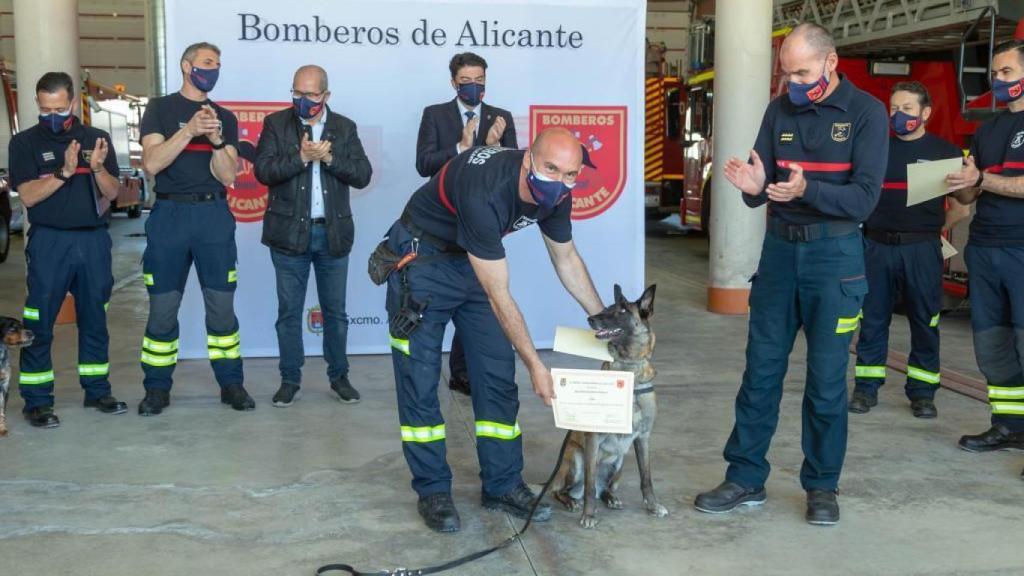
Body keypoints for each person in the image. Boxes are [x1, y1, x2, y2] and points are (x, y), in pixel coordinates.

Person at [693, 23, 888, 526]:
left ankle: (822, 486)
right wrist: (754, 187)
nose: (792, 83)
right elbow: (762, 182)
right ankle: (744, 477)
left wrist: (807, 192)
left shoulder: (865, 113)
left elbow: (865, 197)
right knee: (759, 374)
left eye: (801, 72)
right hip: (779, 257)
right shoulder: (778, 109)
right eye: (786, 73)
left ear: (831, 61)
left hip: (835, 261)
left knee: (825, 383)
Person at [382, 128, 601, 533]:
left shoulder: (557, 194)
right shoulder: (485, 189)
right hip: (423, 258)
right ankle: (433, 490)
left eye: (571, 174)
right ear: (528, 160)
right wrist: (536, 363)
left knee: (497, 374)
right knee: (421, 381)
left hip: (470, 258)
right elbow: (499, 295)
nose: (560, 182)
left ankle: (502, 484)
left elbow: (566, 258)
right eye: (552, 169)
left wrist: (601, 319)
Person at [137, 41, 250, 415]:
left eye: (217, 64)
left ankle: (231, 384)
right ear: (187, 66)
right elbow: (152, 164)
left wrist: (216, 139)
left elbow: (229, 174)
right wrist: (189, 131)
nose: (213, 69)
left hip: (212, 217)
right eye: (206, 62)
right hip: (169, 217)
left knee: (221, 308)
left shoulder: (225, 118)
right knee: (163, 309)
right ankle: (156, 389)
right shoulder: (160, 109)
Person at [9, 71, 127, 428]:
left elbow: (112, 192)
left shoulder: (97, 138)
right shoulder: (25, 143)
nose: (53, 116)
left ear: (73, 103)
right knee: (38, 323)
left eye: (59, 108)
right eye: (46, 109)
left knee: (94, 319)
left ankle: (97, 390)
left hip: (93, 240)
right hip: (49, 241)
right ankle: (37, 401)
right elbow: (27, 195)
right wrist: (62, 172)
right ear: (37, 104)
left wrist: (95, 169)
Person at [254, 64, 372, 407]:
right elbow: (264, 171)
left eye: (311, 94)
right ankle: (290, 379)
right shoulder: (276, 124)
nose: (304, 100)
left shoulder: (344, 128)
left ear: (326, 95)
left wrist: (332, 158)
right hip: (288, 236)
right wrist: (300, 157)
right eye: (297, 93)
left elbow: (363, 174)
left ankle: (339, 377)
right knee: (289, 312)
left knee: (335, 313)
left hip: (332, 235)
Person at [850, 81, 969, 418]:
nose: (898, 115)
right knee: (872, 319)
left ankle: (922, 394)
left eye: (906, 109)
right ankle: (865, 389)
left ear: (925, 113)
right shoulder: (875, 149)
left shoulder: (946, 154)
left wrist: (931, 230)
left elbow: (962, 207)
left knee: (925, 319)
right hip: (876, 246)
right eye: (894, 108)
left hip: (922, 249)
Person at [415, 52, 517, 396]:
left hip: (484, 224)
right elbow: (424, 164)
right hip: (442, 223)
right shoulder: (435, 115)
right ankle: (430, 371)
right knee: (443, 298)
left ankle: (463, 373)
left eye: (480, 81)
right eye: (466, 82)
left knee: (478, 299)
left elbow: (513, 173)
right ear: (453, 82)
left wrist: (494, 148)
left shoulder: (500, 117)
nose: (474, 87)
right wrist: (461, 147)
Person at [946, 40, 1024, 478]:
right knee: (993, 345)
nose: (998, 80)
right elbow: (972, 192)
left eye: (1008, 72)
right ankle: (1009, 426)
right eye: (996, 73)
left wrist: (984, 179)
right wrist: (962, 184)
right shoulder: (988, 128)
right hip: (987, 247)